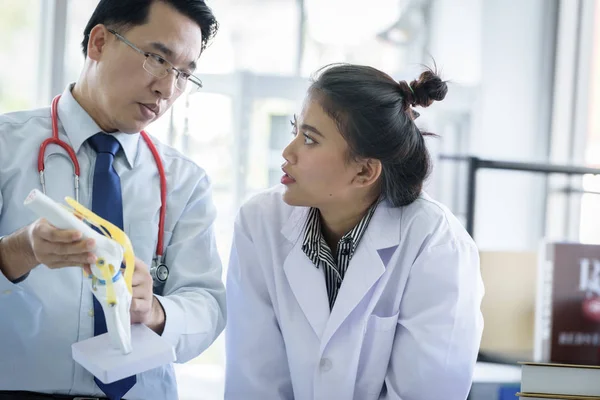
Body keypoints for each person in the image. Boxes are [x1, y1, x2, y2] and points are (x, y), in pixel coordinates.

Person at [0, 1, 225, 399]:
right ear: (99, 43)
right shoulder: (6, 147)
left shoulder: (184, 181)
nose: (167, 89)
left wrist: (154, 310)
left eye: (184, 74)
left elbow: (207, 304)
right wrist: (18, 252)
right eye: (158, 59)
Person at [224, 63, 484, 400]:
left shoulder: (437, 245)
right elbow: (254, 381)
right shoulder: (260, 222)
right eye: (295, 130)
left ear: (364, 171)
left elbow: (425, 392)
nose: (288, 153)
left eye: (309, 139)